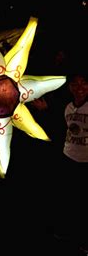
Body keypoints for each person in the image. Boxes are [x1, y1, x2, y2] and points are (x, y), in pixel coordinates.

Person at [53, 73, 88, 252]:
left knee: (84, 202)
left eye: (83, 84)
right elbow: (63, 129)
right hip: (68, 157)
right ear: (70, 88)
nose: (79, 88)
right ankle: (66, 233)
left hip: (85, 161)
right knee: (68, 198)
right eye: (75, 84)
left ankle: (83, 240)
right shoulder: (67, 107)